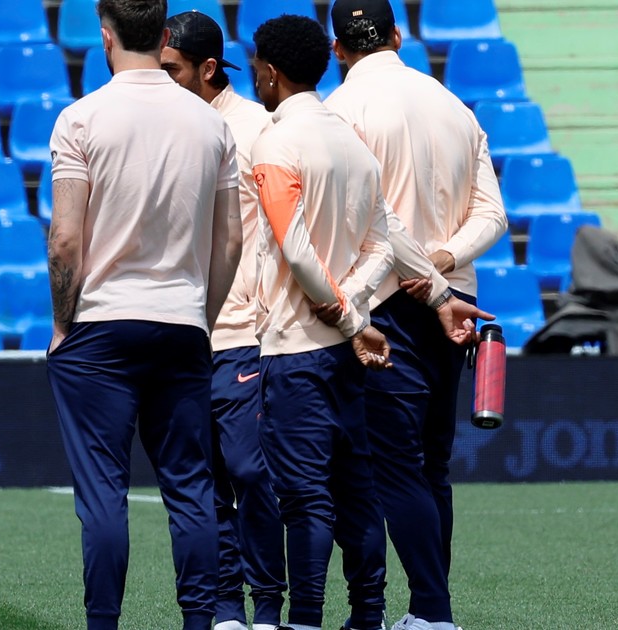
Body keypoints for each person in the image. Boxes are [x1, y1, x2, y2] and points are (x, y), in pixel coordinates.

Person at [47, 0, 243, 627]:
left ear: (106, 37)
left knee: (103, 492)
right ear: (162, 35)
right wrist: (202, 317)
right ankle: (200, 620)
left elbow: (65, 240)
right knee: (191, 487)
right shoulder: (211, 122)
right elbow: (231, 241)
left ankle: (104, 622)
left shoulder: (80, 117)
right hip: (181, 322)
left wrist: (62, 323)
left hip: (101, 323)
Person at [324, 2, 508, 629]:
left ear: (337, 48)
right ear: (398, 35)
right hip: (454, 301)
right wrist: (442, 261)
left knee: (394, 466)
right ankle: (430, 611)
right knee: (432, 465)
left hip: (386, 303)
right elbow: (493, 213)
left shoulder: (341, 109)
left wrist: (420, 272)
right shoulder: (454, 106)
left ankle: (431, 611)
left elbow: (363, 215)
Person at [247, 14, 398, 630]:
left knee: (305, 496)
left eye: (256, 67)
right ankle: (368, 617)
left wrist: (339, 311)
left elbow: (294, 246)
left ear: (271, 72)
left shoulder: (276, 142)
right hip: (346, 351)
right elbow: (384, 246)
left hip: (296, 348)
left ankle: (305, 619)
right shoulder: (353, 142)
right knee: (357, 491)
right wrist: (354, 310)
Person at [159, 12, 287, 630]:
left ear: (208, 68)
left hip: (244, 333)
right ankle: (226, 606)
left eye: (171, 70)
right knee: (201, 480)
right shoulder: (161, 126)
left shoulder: (259, 128)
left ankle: (268, 603)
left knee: (250, 471)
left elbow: (286, 230)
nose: (160, 80)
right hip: (180, 331)